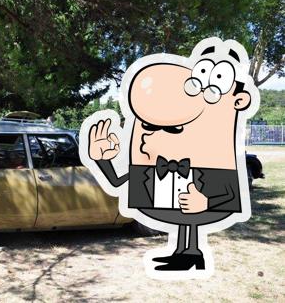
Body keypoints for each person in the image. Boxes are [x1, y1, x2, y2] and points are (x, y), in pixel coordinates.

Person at [83, 38, 258, 274]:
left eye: (172, 128)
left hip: (200, 198)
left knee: (190, 215)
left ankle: (190, 253)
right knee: (185, 216)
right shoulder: (150, 167)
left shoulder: (215, 167)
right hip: (165, 203)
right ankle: (187, 254)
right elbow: (117, 182)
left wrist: (206, 202)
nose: (147, 136)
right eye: (148, 126)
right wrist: (102, 159)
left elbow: (230, 197)